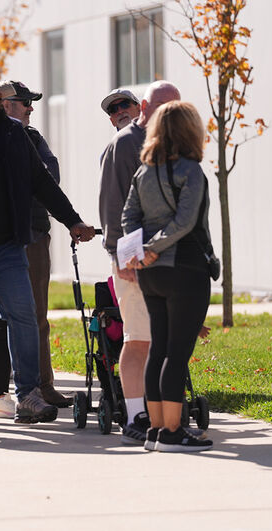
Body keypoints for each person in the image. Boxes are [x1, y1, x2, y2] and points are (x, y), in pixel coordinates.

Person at [0, 63, 95, 430]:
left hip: (10, 246)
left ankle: (28, 395)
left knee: (25, 318)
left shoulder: (12, 132)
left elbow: (42, 181)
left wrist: (72, 220)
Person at [121, 101, 214, 452]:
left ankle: (156, 430)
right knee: (177, 353)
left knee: (158, 348)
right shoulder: (191, 170)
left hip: (151, 274)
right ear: (191, 131)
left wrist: (139, 252)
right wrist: (156, 247)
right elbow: (187, 221)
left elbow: (128, 216)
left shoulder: (144, 171)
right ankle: (173, 431)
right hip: (185, 267)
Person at [0, 79, 70, 416]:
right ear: (4, 105)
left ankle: (41, 387)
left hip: (32, 234)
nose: (31, 108)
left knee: (35, 316)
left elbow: (50, 175)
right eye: (25, 102)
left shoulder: (32, 138)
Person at [98, 80, 180, 444]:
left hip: (171, 259)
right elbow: (113, 207)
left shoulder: (175, 142)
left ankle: (166, 416)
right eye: (163, 106)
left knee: (165, 340)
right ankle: (136, 415)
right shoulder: (126, 143)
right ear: (145, 107)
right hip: (136, 260)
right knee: (139, 340)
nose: (171, 113)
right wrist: (122, 256)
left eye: (175, 106)